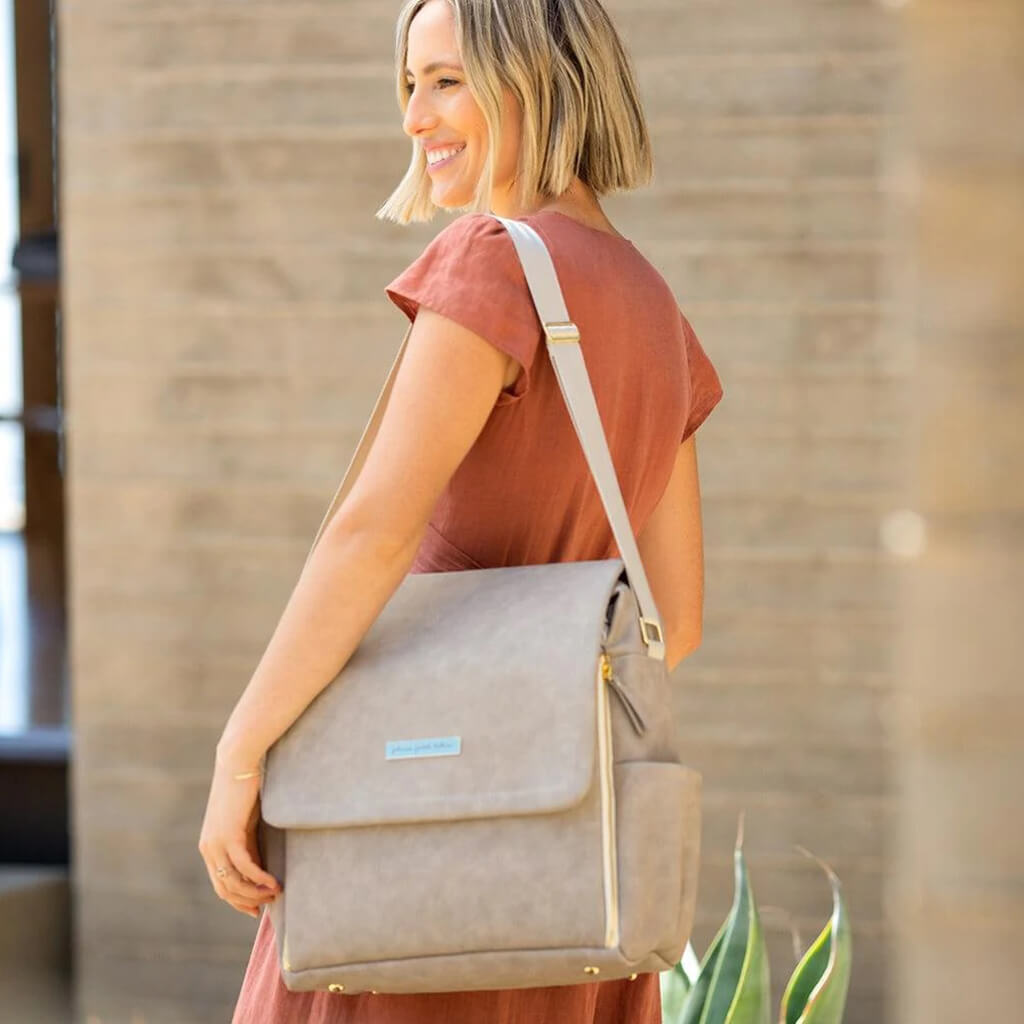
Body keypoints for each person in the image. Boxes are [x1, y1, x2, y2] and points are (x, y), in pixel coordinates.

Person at [204, 0, 724, 1020]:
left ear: (536, 78)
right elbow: (676, 620)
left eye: (444, 80)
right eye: (409, 84)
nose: (413, 117)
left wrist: (242, 750)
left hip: (414, 827)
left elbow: (371, 532)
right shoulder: (657, 308)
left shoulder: (493, 258)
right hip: (574, 859)